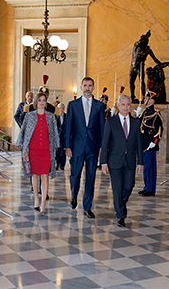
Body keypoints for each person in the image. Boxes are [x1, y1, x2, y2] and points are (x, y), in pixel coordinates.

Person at [64, 77, 105, 218]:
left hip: (93, 147)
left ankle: (87, 206)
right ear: (81, 87)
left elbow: (102, 128)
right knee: (75, 176)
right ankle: (74, 196)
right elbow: (67, 126)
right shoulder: (73, 105)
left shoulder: (99, 106)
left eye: (90, 85)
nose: (87, 88)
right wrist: (67, 146)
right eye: (85, 85)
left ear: (93, 88)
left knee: (91, 176)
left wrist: (101, 147)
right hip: (76, 146)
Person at [101, 94, 143, 227]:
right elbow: (105, 142)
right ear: (118, 106)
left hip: (130, 160)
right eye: (123, 104)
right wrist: (103, 162)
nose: (126, 107)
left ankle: (120, 204)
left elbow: (139, 144)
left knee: (129, 186)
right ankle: (120, 215)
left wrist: (140, 162)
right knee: (117, 188)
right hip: (114, 161)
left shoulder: (136, 122)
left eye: (128, 104)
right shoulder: (111, 121)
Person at [16, 93, 60, 215]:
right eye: (39, 100)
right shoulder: (29, 116)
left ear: (46, 102)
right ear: (36, 102)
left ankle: (43, 204)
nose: (41, 102)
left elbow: (54, 134)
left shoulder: (51, 117)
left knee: (45, 176)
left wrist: (56, 149)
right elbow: (24, 133)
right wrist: (24, 150)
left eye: (44, 100)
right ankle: (36, 198)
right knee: (34, 176)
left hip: (46, 150)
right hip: (33, 150)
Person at [138, 83, 163, 197]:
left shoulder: (156, 113)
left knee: (150, 166)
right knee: (146, 166)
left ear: (152, 100)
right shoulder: (146, 112)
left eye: (147, 98)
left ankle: (151, 189)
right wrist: (138, 116)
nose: (144, 100)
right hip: (144, 141)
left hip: (150, 142)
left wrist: (155, 141)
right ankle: (146, 186)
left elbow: (159, 129)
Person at [129, 30, 162, 103]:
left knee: (142, 82)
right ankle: (132, 96)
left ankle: (144, 97)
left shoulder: (148, 50)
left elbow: (155, 59)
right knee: (131, 82)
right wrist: (147, 35)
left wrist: (163, 64)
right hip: (133, 66)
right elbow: (140, 41)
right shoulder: (136, 46)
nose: (145, 42)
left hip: (140, 67)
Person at [56, 103, 67, 170]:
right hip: (58, 136)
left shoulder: (66, 116)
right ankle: (57, 164)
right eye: (60, 108)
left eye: (63, 108)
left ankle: (62, 165)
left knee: (64, 151)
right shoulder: (56, 116)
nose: (61, 109)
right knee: (57, 151)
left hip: (64, 136)